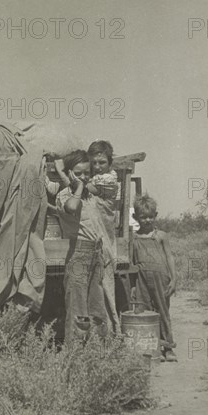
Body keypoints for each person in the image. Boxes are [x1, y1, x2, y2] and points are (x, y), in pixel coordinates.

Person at [56, 150, 110, 345]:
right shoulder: (65, 195)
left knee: (96, 306)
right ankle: (76, 355)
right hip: (79, 254)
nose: (84, 177)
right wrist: (77, 185)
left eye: (87, 173)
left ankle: (98, 352)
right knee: (78, 309)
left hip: (96, 253)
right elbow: (71, 208)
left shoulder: (89, 195)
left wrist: (83, 184)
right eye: (78, 173)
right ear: (70, 174)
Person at [131, 194, 178, 362]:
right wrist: (133, 285)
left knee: (163, 311)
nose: (147, 220)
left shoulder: (161, 236)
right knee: (144, 311)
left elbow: (170, 257)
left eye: (150, 216)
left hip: (161, 278)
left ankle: (169, 348)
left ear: (156, 215)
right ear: (135, 217)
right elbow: (132, 262)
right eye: (143, 217)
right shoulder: (133, 238)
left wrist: (174, 279)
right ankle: (152, 347)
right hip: (141, 278)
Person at [87, 140, 120, 332]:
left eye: (102, 162)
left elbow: (83, 187)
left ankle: (112, 331)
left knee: (105, 286)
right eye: (94, 163)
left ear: (110, 164)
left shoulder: (108, 180)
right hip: (95, 236)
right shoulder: (95, 178)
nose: (98, 167)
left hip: (105, 238)